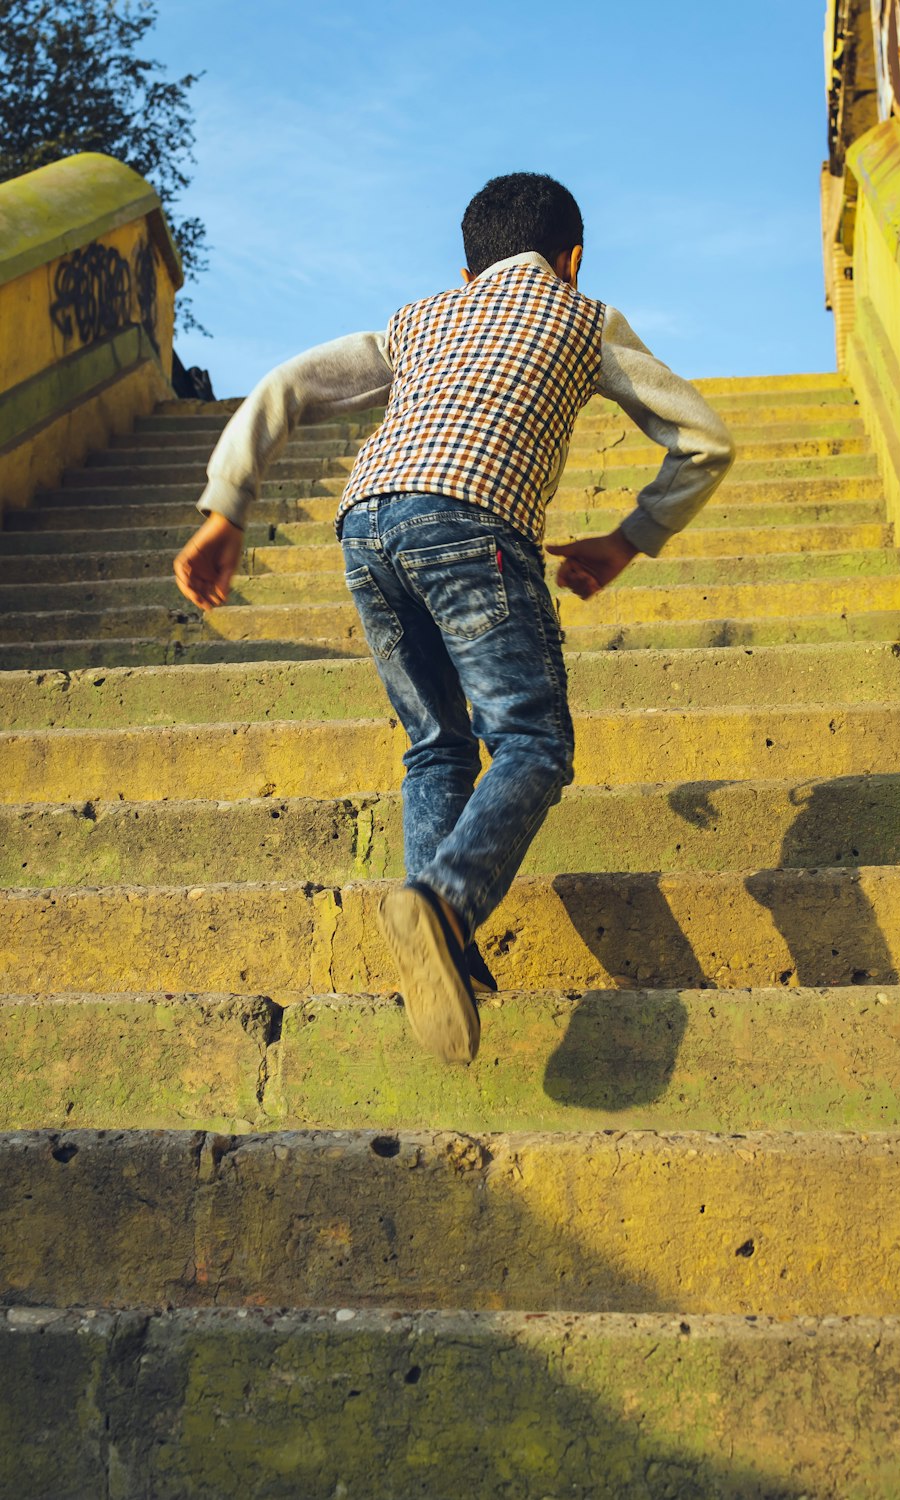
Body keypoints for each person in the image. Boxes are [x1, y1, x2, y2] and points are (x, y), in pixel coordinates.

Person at [173, 172, 735, 1066]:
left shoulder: (420, 317)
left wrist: (225, 506)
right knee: (534, 743)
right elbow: (705, 439)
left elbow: (288, 383)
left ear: (467, 270)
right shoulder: (585, 318)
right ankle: (443, 903)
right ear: (572, 259)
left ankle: (449, 961)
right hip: (474, 523)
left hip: (365, 527)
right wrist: (629, 539)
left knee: (437, 743)